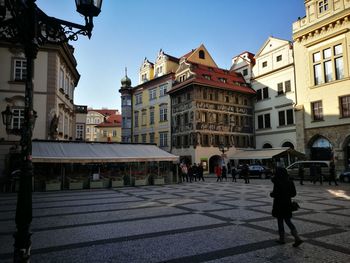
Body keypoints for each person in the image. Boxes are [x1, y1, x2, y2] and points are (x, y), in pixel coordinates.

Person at [270, 166, 303, 247]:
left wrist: (271, 194)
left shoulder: (277, 181)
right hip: (287, 204)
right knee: (288, 221)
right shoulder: (290, 181)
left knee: (280, 222)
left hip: (279, 204)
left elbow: (275, 194)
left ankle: (282, 239)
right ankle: (297, 238)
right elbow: (293, 194)